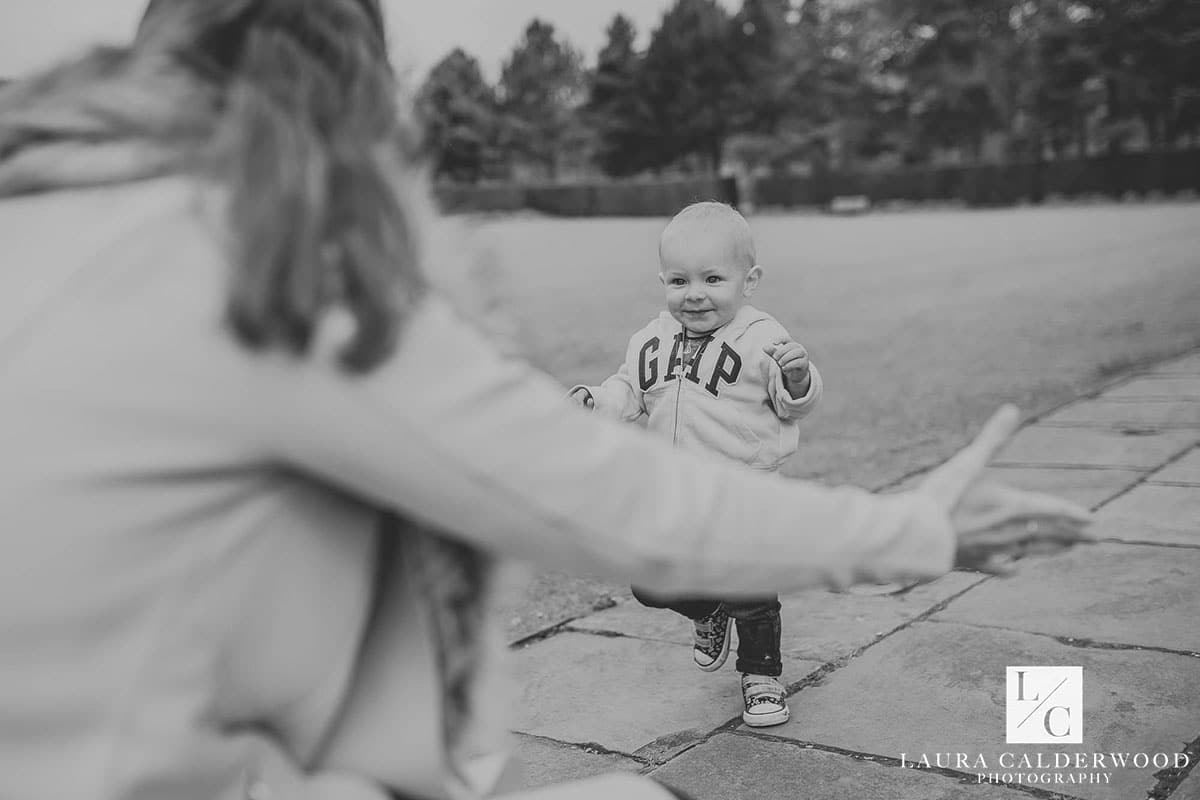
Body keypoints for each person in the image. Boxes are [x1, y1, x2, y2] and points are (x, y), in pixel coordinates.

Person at [0, 2, 1092, 799]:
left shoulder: (40, 213)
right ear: (355, 95)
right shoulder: (278, 251)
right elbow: (609, 499)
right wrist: (917, 527)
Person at [569, 201, 822, 728]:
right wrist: (595, 400)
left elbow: (793, 401)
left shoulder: (763, 339)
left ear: (747, 281)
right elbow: (628, 392)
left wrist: (798, 378)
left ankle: (761, 677)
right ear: (663, 280)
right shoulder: (650, 340)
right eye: (680, 280)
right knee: (650, 580)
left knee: (750, 591)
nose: (695, 294)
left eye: (713, 278)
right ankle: (708, 608)